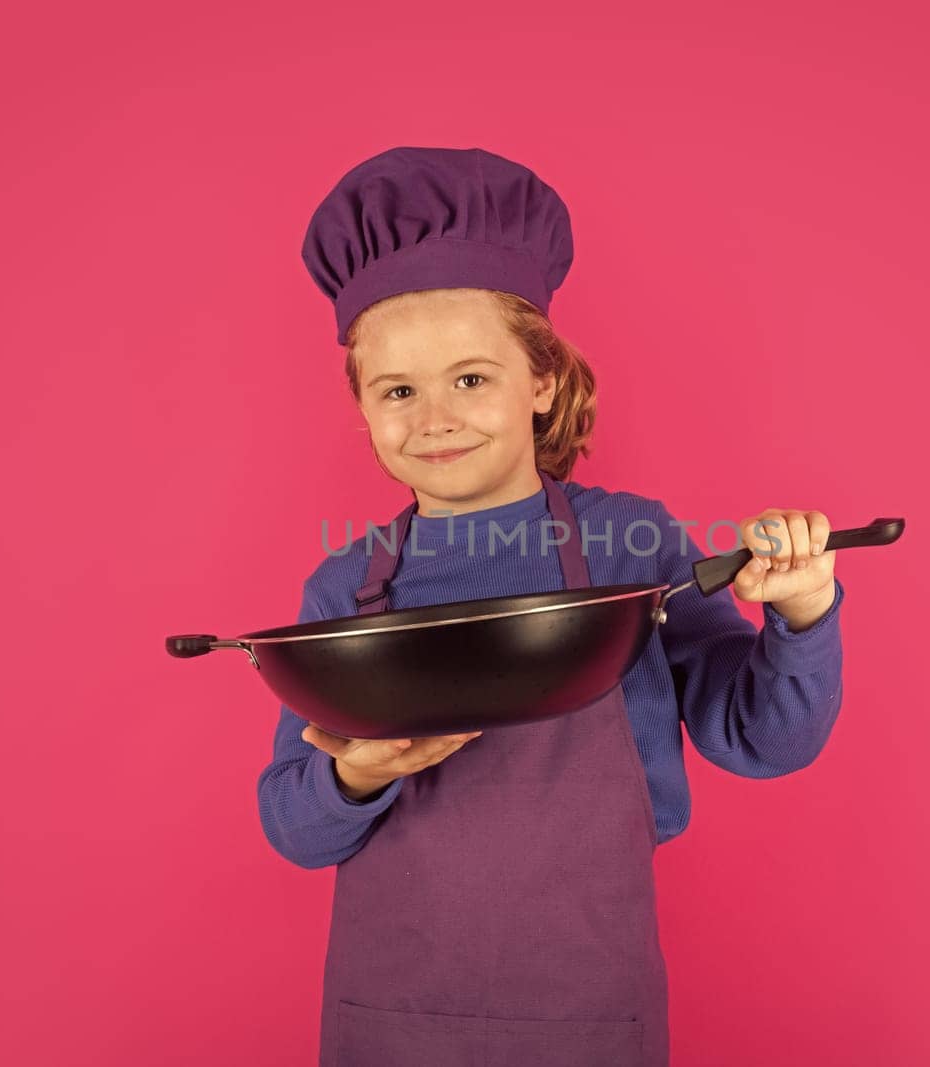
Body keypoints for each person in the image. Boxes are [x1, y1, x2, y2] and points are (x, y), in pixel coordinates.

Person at [256, 146, 846, 1067]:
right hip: (391, 1024)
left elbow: (766, 738)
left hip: (585, 1018)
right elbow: (292, 825)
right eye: (399, 390)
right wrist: (356, 775)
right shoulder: (349, 585)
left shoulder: (633, 546)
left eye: (471, 378)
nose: (436, 416)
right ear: (363, 407)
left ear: (543, 382)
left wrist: (802, 612)